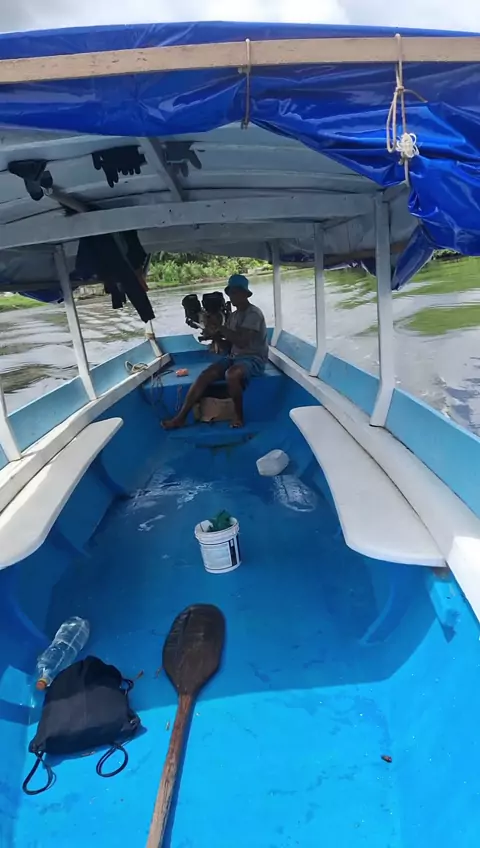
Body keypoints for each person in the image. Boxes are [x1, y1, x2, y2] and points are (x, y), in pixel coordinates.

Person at [163, 274, 268, 429]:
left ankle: (238, 415)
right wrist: (215, 336)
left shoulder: (253, 314)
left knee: (231, 374)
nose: (232, 296)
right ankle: (181, 418)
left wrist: (219, 327)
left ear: (245, 294)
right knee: (206, 375)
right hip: (235, 357)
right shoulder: (233, 316)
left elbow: (242, 342)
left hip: (254, 359)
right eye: (230, 292)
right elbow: (229, 347)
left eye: (235, 292)